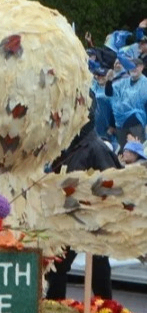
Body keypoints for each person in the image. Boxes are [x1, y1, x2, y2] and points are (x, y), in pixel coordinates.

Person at [44, 107, 121, 301]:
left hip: (93, 221)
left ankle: (106, 312)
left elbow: (114, 187)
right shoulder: (67, 147)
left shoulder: (97, 148)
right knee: (57, 267)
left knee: (99, 272)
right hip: (69, 219)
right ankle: (56, 308)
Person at [105, 54, 147, 149]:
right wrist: (109, 81)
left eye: (136, 66)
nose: (133, 68)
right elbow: (109, 93)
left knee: (139, 151)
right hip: (121, 125)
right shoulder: (123, 82)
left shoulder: (145, 83)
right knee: (124, 152)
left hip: (137, 124)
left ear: (142, 67)